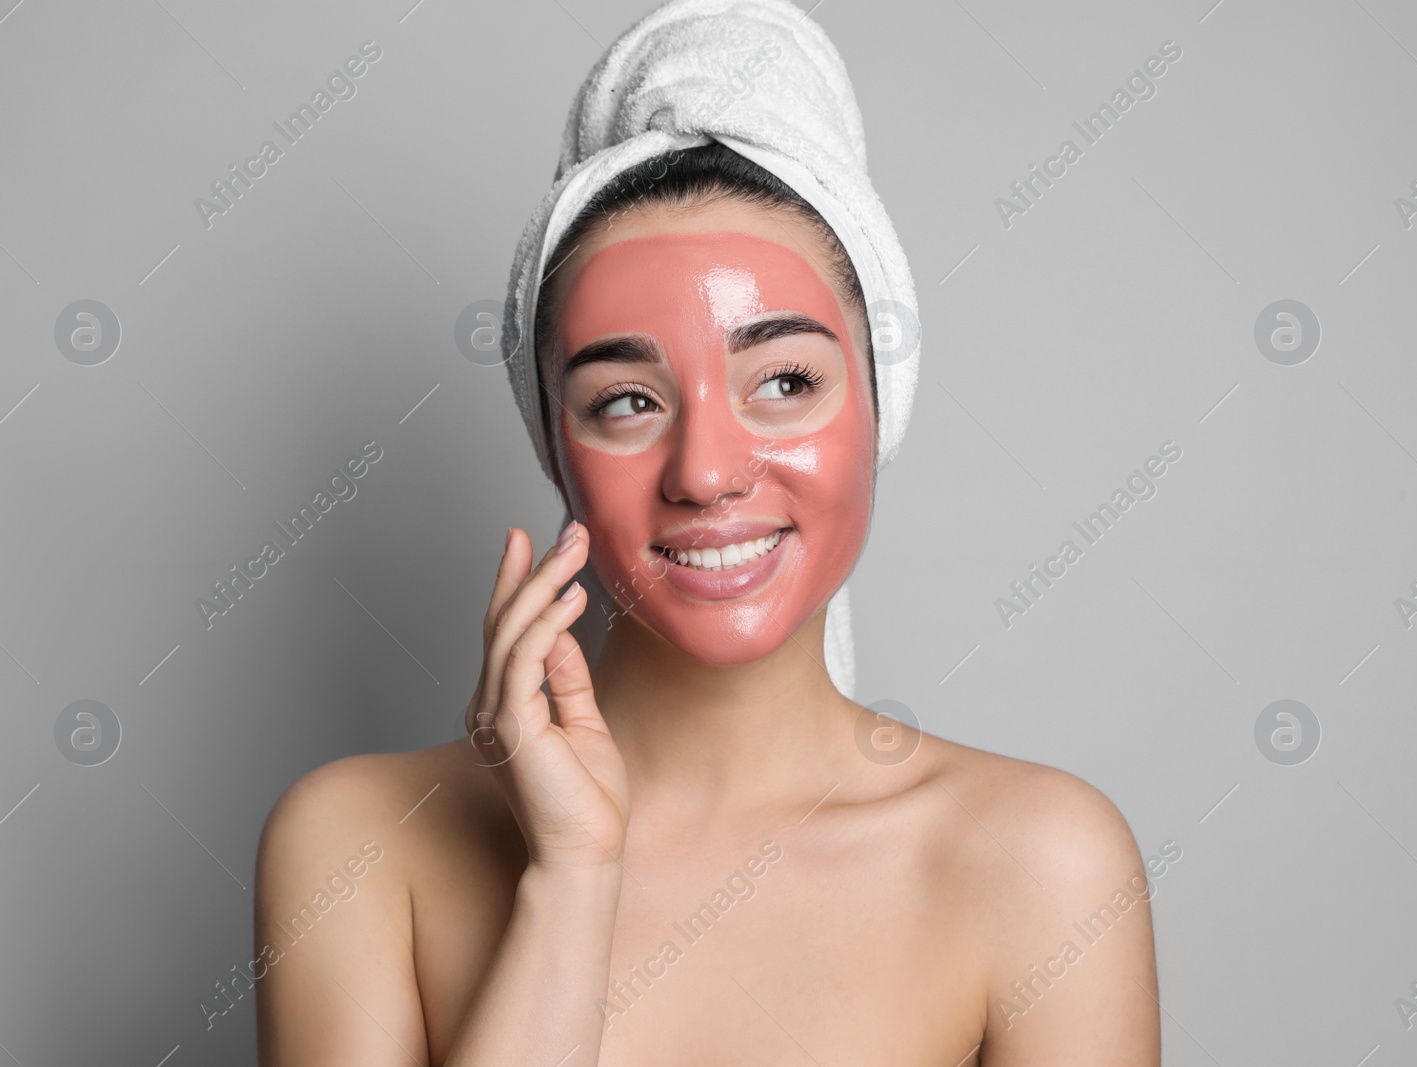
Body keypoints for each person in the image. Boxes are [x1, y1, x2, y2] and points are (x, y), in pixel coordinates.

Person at [254, 4, 1160, 1065]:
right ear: (553, 443)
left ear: (882, 404)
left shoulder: (1041, 866)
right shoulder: (357, 846)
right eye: (627, 400)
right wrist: (572, 875)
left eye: (784, 381)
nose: (707, 470)